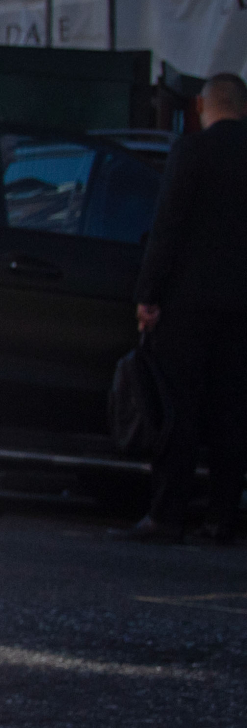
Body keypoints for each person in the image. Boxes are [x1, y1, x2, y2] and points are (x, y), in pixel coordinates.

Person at [118, 72, 247, 543]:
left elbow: (167, 227)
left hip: (188, 306)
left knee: (179, 410)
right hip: (242, 309)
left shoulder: (191, 153)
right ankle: (222, 517)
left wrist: (147, 296)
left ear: (200, 106)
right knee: (232, 413)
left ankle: (167, 513)